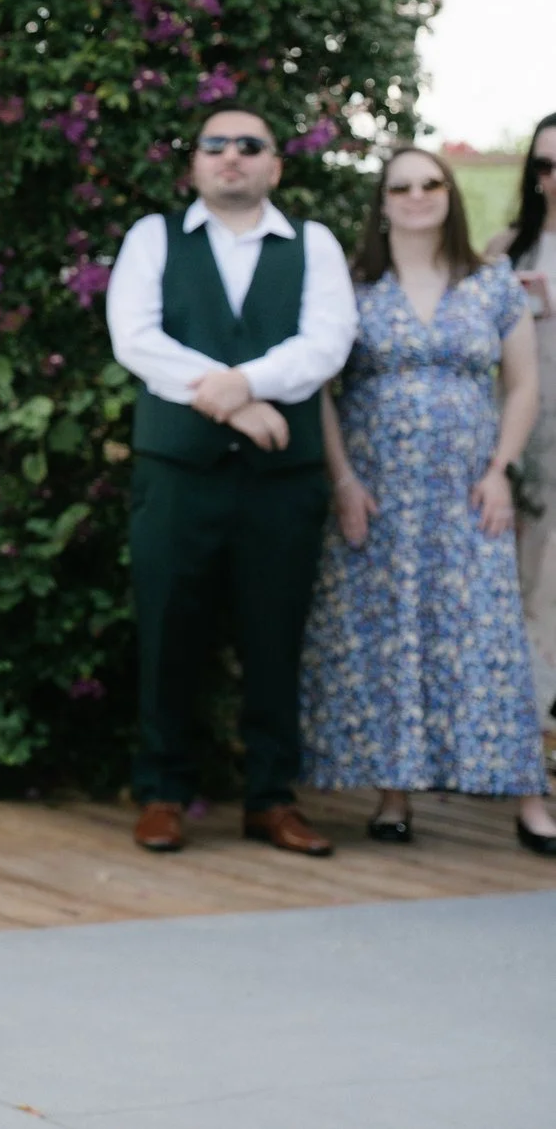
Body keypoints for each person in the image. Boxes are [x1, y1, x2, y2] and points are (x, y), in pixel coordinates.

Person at [104, 100, 357, 856]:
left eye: (250, 144)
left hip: (285, 480)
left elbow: (327, 343)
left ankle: (272, 797)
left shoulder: (313, 244)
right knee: (170, 629)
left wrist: (238, 382)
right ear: (196, 164)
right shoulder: (153, 238)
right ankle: (162, 791)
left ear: (275, 165)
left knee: (275, 635)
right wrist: (240, 405)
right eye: (216, 144)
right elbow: (136, 339)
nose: (232, 155)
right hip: (178, 472)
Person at [303, 147, 553, 852]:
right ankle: (393, 796)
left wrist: (501, 467)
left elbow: (524, 384)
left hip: (469, 492)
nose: (416, 196)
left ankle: (530, 800)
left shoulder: (492, 283)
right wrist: (344, 479)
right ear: (381, 202)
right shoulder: (352, 287)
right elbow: (320, 389)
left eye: (429, 183)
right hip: (376, 494)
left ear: (450, 194)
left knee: (492, 637)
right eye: (400, 187)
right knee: (386, 637)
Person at [485, 111, 556, 740]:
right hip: (522, 445)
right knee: (527, 592)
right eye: (545, 164)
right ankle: (526, 735)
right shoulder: (508, 249)